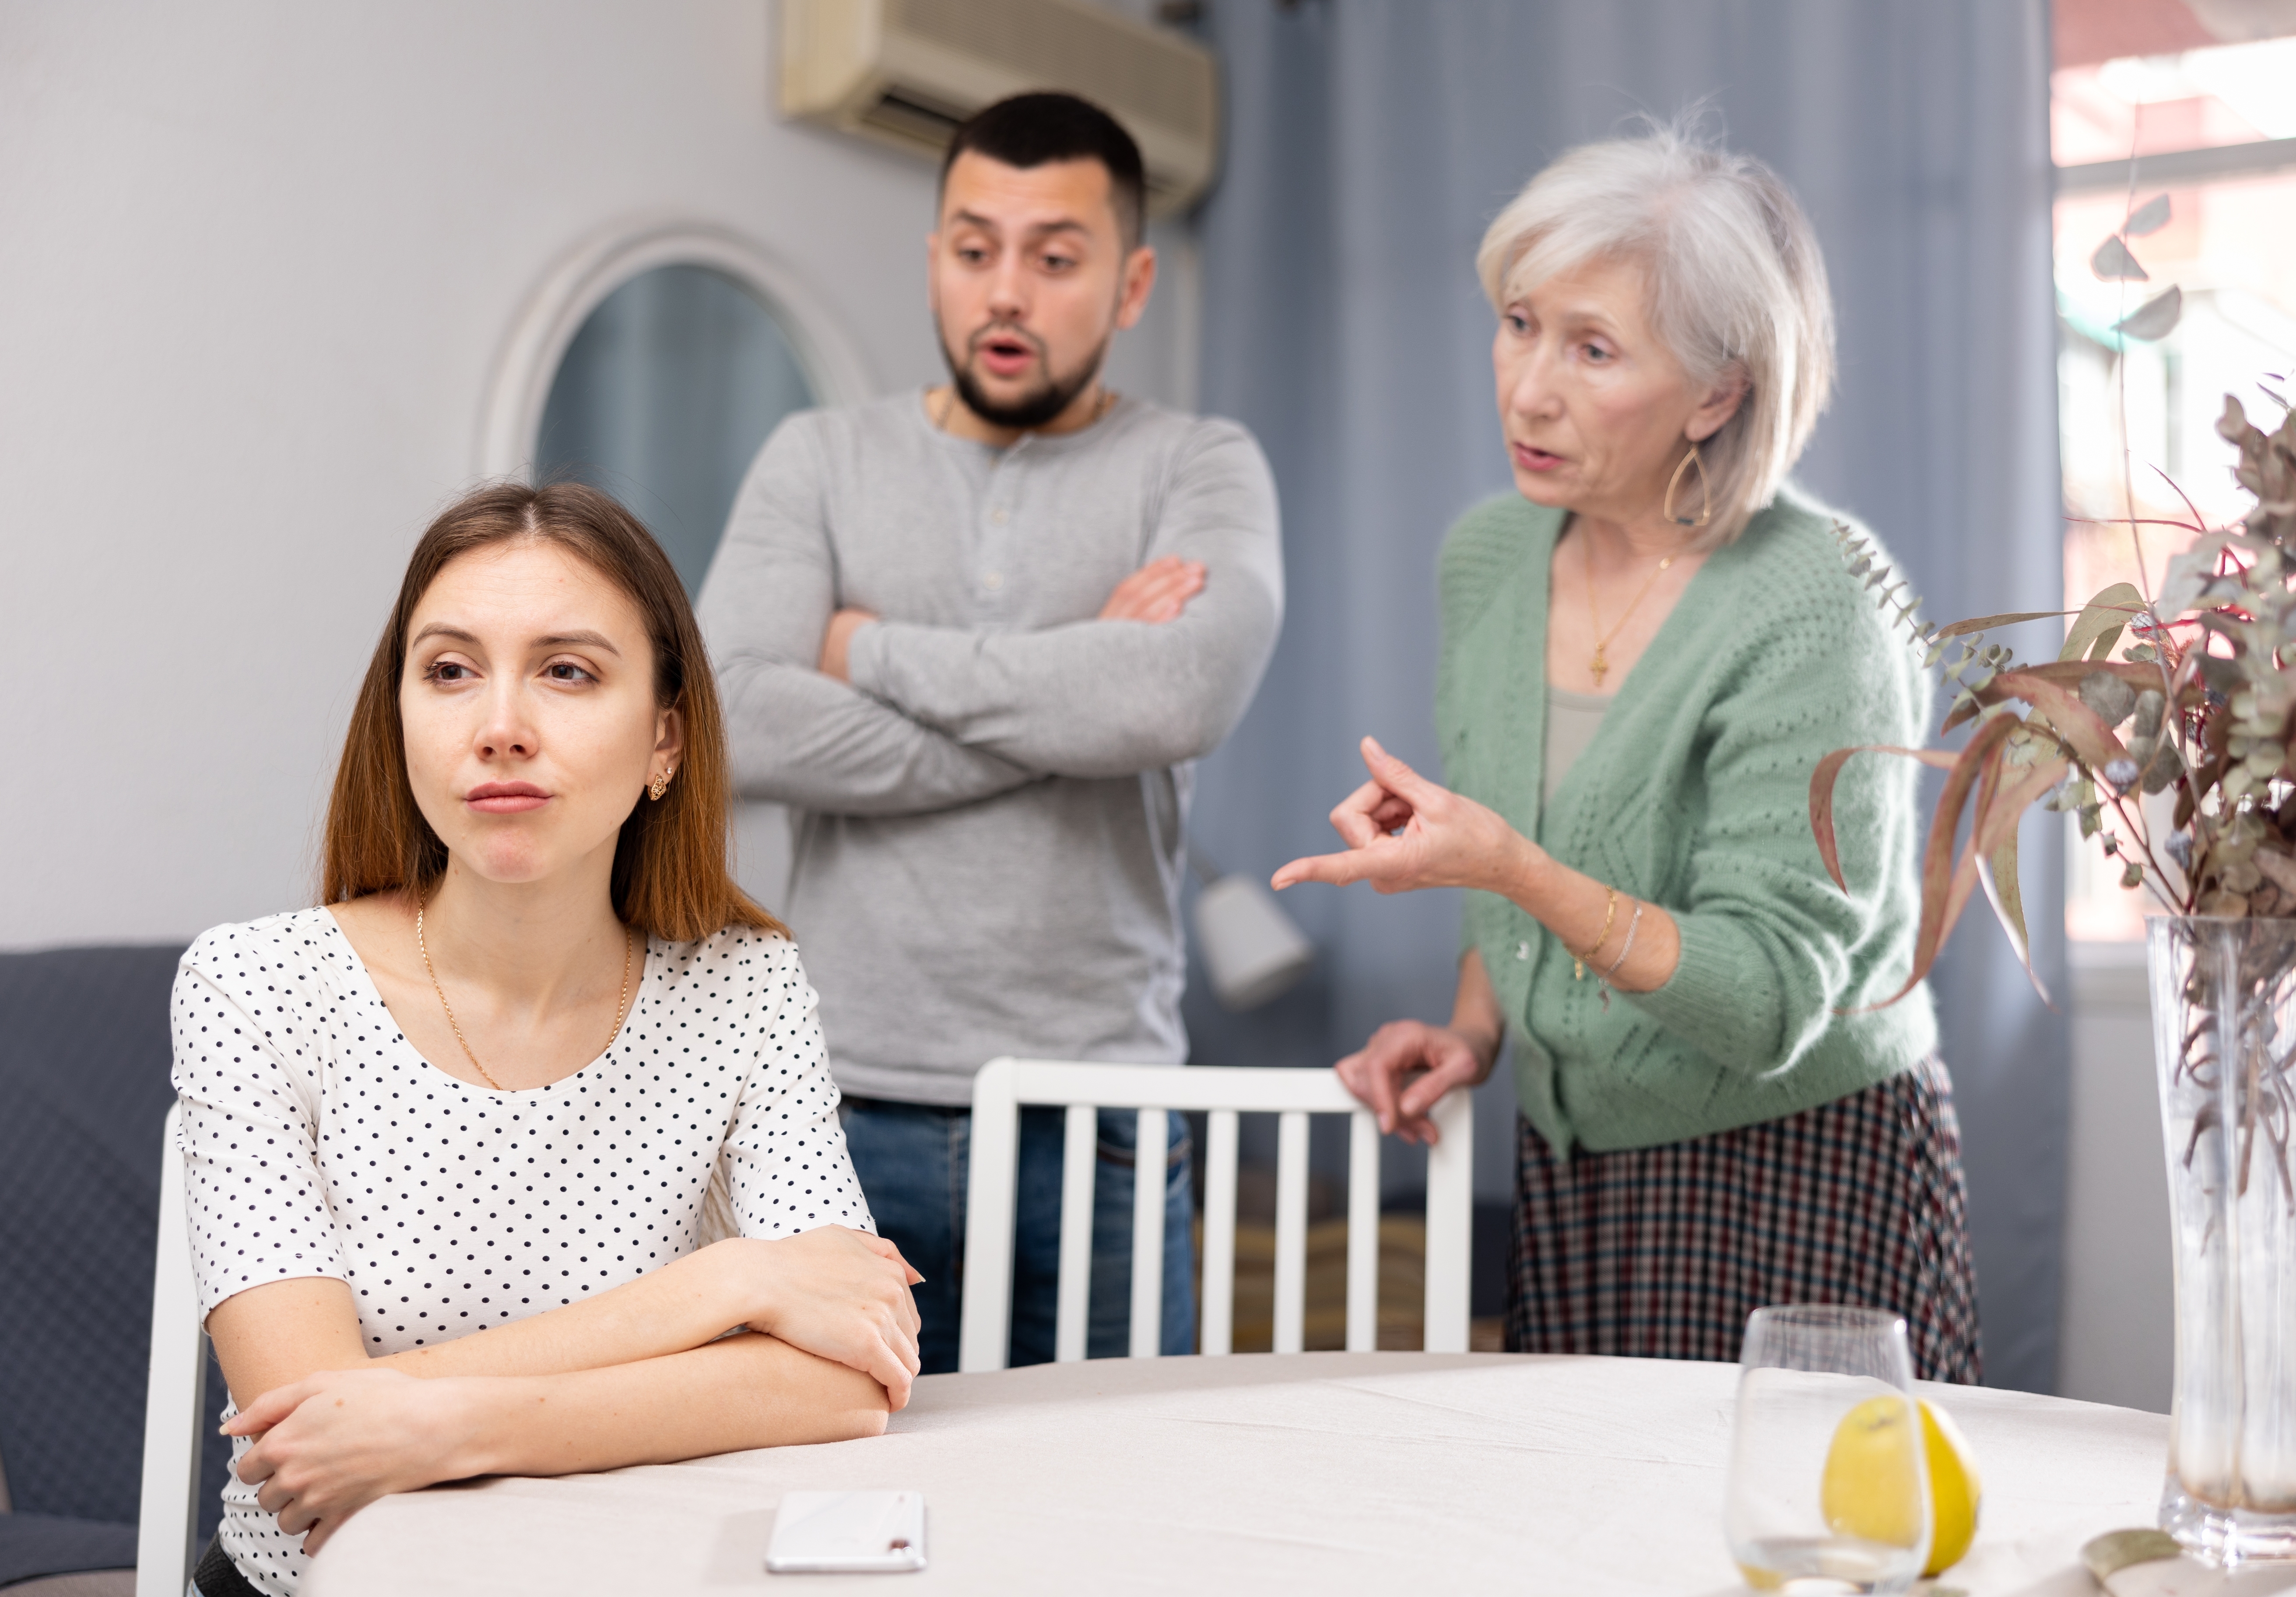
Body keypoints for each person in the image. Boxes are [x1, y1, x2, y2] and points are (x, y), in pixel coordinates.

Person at [1272, 123, 1980, 1382]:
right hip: (1569, 1159)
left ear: (1717, 390)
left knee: (1794, 1558)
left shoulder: (1819, 604)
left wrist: (1507, 870)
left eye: (1592, 349)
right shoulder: (1489, 558)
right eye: (1517, 321)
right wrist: (1474, 1033)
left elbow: (1763, 999)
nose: (1526, 387)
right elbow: (1514, 835)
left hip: (1798, 1163)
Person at [170, 483, 922, 1597]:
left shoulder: (746, 987)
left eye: (567, 671)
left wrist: (441, 1424)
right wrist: (720, 1290)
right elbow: (303, 1440)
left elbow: (850, 1379)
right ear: (402, 717)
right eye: (449, 670)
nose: (500, 725)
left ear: (664, 740)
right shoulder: (253, 985)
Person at [699, 91, 1282, 1372]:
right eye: (973, 251)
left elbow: (1172, 699)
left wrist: (862, 651)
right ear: (933, 264)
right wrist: (1071, 689)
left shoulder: (1201, 466)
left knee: (1112, 1526)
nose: (1005, 292)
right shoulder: (818, 458)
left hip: (1103, 1116)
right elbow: (731, 717)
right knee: (836, 1511)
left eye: (1054, 257)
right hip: (839, 1102)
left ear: (1130, 285)